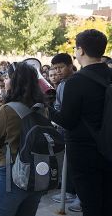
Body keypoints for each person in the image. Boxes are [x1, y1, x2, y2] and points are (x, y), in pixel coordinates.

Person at [48, 29, 112, 216]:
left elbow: (67, 121)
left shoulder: (76, 82)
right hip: (109, 148)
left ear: (81, 50)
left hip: (85, 151)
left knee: (90, 203)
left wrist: (47, 110)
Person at [0, 62, 47, 216]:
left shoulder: (8, 109)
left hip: (12, 174)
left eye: (7, 77)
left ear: (16, 81)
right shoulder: (41, 107)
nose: (4, 81)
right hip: (36, 175)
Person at [50, 53, 80, 210]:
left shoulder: (79, 82)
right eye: (55, 68)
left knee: (79, 165)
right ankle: (69, 192)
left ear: (70, 66)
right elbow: (58, 106)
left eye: (60, 67)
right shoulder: (61, 85)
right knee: (68, 163)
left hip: (79, 131)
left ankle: (81, 197)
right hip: (64, 129)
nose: (58, 71)